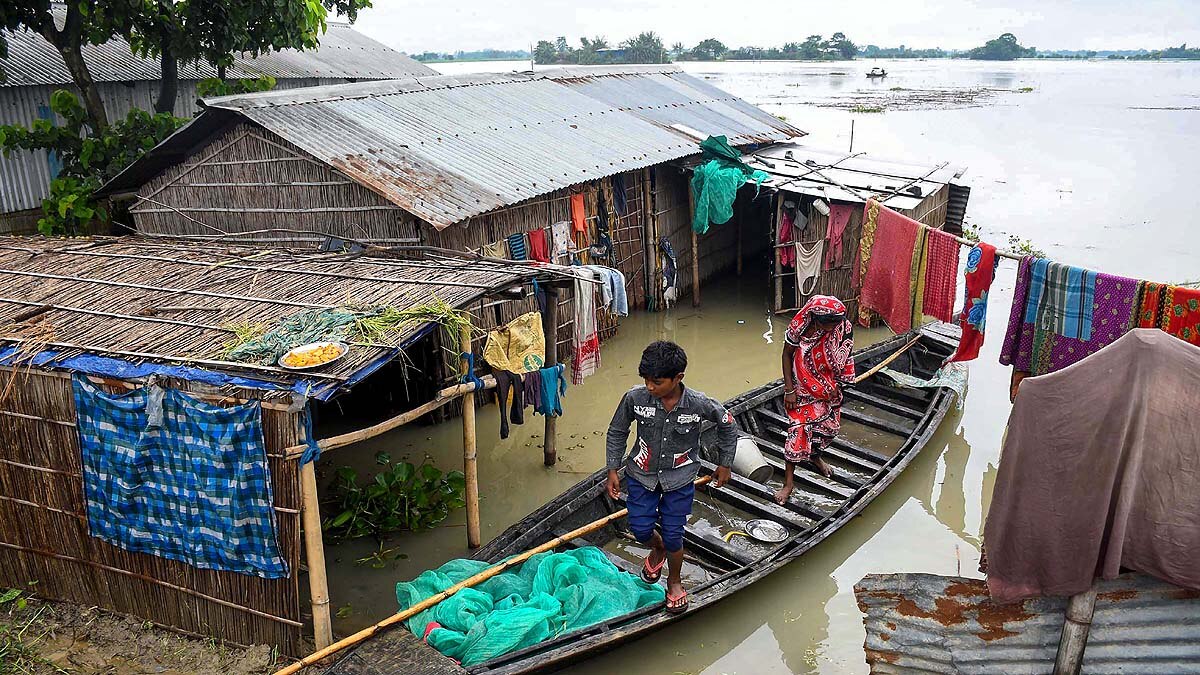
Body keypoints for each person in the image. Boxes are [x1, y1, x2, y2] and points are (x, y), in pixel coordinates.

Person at [606, 341, 736, 614]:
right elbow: (617, 431)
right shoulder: (635, 398)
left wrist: (725, 464)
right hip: (641, 474)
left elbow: (727, 424)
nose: (650, 387)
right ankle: (658, 549)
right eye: (646, 380)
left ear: (678, 378)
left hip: (680, 477)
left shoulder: (699, 403)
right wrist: (612, 470)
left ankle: (674, 582)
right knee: (640, 529)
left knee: (675, 535)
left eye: (657, 382)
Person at [777, 295, 855, 505]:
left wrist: (839, 382)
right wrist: (788, 390)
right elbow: (786, 355)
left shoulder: (842, 326)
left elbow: (844, 353)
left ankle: (814, 456)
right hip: (800, 389)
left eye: (834, 324)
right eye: (827, 324)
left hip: (827, 388)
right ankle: (788, 484)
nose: (831, 328)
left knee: (830, 427)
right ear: (815, 318)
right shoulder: (798, 327)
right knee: (798, 430)